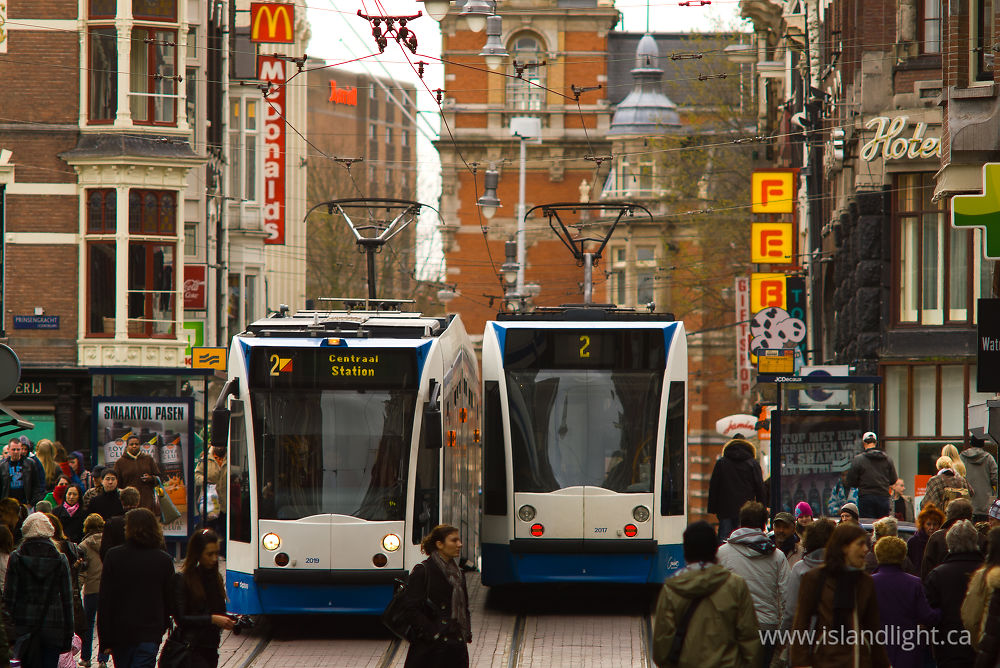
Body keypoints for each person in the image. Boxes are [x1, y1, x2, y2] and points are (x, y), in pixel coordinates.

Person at [652, 521, 760, 667]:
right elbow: (750, 639)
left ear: (686, 551)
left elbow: (661, 648)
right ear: (715, 550)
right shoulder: (736, 585)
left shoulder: (671, 590)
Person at [789, 522, 890, 668]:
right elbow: (801, 623)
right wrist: (801, 663)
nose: (866, 549)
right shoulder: (816, 578)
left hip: (859, 661)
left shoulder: (865, 581)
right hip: (826, 660)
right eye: (860, 544)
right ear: (844, 547)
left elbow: (873, 629)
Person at [98, 508, 174, 668]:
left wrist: (105, 640)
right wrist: (162, 625)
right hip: (150, 631)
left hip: (121, 632)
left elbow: (105, 600)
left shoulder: (114, 556)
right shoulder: (163, 560)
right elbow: (169, 599)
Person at [716, 501, 789, 667]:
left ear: (741, 522)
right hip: (767, 629)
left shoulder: (722, 553)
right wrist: (783, 635)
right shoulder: (777, 556)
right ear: (764, 525)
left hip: (733, 626)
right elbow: (787, 597)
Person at [4, 512, 74, 668]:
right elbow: (67, 601)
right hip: (54, 628)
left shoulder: (16, 558)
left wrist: (8, 632)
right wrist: (68, 635)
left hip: (24, 627)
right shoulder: (60, 559)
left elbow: (9, 598)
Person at [400, 524, 472, 668]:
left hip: (456, 647)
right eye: (454, 540)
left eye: (459, 540)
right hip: (430, 650)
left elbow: (464, 608)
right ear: (439, 544)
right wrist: (433, 633)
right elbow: (410, 609)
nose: (460, 544)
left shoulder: (459, 574)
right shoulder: (423, 571)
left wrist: (465, 632)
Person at [870, 536, 940, 668]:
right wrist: (941, 611)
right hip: (907, 646)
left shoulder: (869, 583)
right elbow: (927, 616)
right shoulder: (914, 583)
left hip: (877, 645)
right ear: (902, 556)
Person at [170, 529, 234, 668]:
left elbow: (218, 610)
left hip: (211, 648)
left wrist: (231, 620)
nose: (214, 559)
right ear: (198, 554)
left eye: (216, 553)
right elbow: (181, 618)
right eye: (209, 554)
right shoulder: (183, 579)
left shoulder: (215, 578)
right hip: (191, 648)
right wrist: (212, 619)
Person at [925, 519, 983, 667]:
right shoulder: (987, 573)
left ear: (949, 543)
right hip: (981, 647)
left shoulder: (937, 575)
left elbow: (929, 614)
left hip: (948, 646)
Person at [782, 517, 835, 631]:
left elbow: (791, 611)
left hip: (805, 634)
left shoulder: (800, 568)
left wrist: (782, 635)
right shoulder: (841, 568)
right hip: (836, 634)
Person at [707, 439, 766, 542]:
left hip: (725, 509)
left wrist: (712, 508)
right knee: (745, 539)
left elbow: (714, 487)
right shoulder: (752, 463)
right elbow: (760, 488)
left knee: (725, 539)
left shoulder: (721, 463)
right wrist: (762, 510)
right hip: (746, 511)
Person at [78, 513, 108, 668]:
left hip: (91, 589)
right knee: (104, 623)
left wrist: (77, 586)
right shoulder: (110, 543)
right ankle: (103, 658)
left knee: (88, 624)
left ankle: (86, 657)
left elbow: (82, 571)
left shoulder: (83, 546)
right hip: (107, 589)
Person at [845, 431, 897, 519]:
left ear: (864, 443)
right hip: (883, 497)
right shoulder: (887, 459)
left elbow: (850, 481)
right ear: (875, 443)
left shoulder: (858, 459)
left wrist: (861, 484)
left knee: (867, 524)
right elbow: (893, 479)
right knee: (883, 524)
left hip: (866, 497)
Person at [923, 497, 977, 580]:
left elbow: (926, 571)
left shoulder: (937, 538)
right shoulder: (980, 538)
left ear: (948, 514)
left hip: (942, 583)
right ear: (970, 515)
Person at [113, 436, 162, 515]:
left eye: (136, 444)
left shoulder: (148, 459)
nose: (134, 446)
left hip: (147, 502)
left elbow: (159, 478)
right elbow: (117, 484)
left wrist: (151, 478)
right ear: (127, 446)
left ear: (140, 445)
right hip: (129, 504)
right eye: (131, 444)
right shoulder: (120, 462)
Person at [194, 446, 228, 543]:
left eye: (222, 446)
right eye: (217, 445)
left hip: (225, 504)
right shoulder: (205, 458)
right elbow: (196, 475)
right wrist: (204, 480)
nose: (220, 448)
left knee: (224, 532)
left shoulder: (230, 457)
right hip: (210, 503)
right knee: (209, 532)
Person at [962, 436, 999, 522]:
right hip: (985, 504)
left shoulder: (962, 457)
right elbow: (996, 479)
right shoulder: (988, 458)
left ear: (971, 443)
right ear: (983, 444)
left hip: (968, 504)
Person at [99, 487, 140, 560]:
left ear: (122, 502)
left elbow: (104, 551)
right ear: (138, 502)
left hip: (118, 563)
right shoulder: (147, 521)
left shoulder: (112, 523)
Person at [0, 437, 43, 506]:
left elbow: (36, 485)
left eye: (18, 449)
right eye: (13, 449)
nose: (16, 452)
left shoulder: (30, 463)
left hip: (26, 502)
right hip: (8, 503)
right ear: (8, 450)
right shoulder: (2, 465)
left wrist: (32, 502)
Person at [907, 503, 944, 575]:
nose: (932, 528)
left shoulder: (941, 542)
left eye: (935, 524)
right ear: (923, 525)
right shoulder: (913, 542)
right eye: (928, 524)